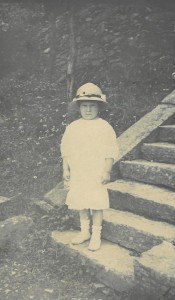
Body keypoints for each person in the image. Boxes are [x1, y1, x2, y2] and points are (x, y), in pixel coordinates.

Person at [60, 83, 119, 251]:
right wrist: (66, 169)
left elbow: (110, 150)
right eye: (84, 106)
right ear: (79, 107)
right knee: (82, 202)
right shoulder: (73, 127)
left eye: (92, 106)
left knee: (96, 202)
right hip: (80, 171)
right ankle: (85, 231)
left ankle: (96, 235)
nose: (88, 110)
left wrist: (107, 170)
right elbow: (66, 149)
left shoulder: (104, 127)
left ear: (99, 107)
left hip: (95, 171)